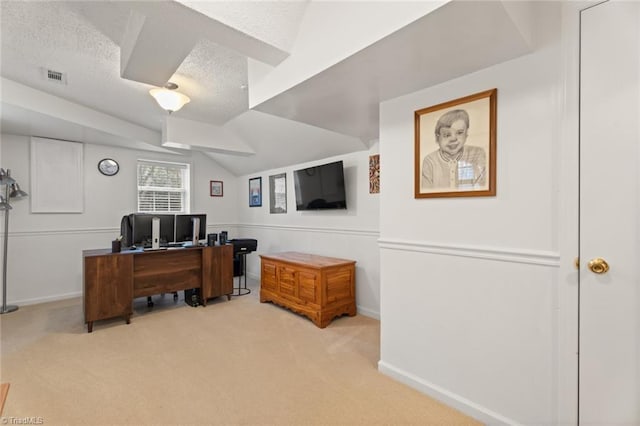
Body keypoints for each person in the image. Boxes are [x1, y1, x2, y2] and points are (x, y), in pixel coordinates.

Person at [421, 109, 486, 190]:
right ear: (437, 137)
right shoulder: (430, 161)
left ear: (466, 134)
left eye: (459, 133)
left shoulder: (477, 153)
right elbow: (426, 192)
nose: (453, 139)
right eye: (447, 135)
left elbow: (481, 187)